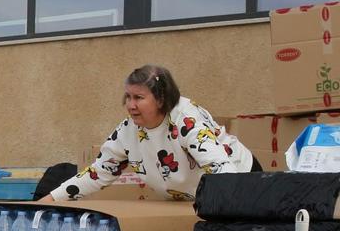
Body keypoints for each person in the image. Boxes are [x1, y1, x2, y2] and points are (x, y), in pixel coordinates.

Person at [50, 65, 255, 203]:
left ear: (161, 98)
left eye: (138, 97)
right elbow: (99, 172)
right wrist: (50, 200)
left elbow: (223, 172)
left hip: (241, 182)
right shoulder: (127, 131)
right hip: (190, 198)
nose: (130, 105)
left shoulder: (187, 121)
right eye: (128, 97)